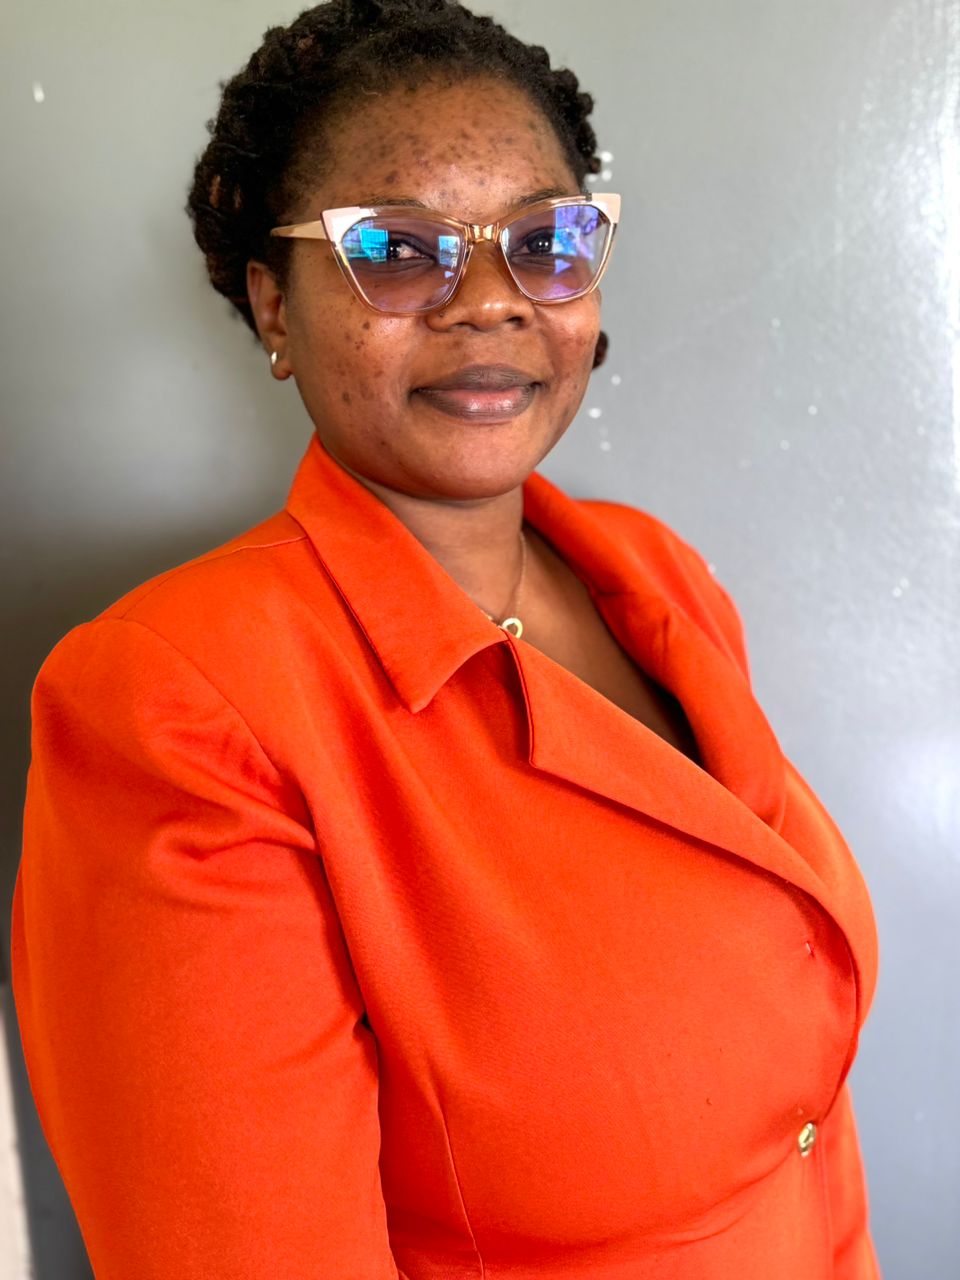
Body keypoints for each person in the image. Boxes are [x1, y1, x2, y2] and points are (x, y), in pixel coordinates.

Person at [10, 1, 882, 1276]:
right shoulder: (178, 707)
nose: (488, 302)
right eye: (397, 249)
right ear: (273, 301)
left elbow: (800, 1123)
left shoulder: (655, 576)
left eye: (544, 241)